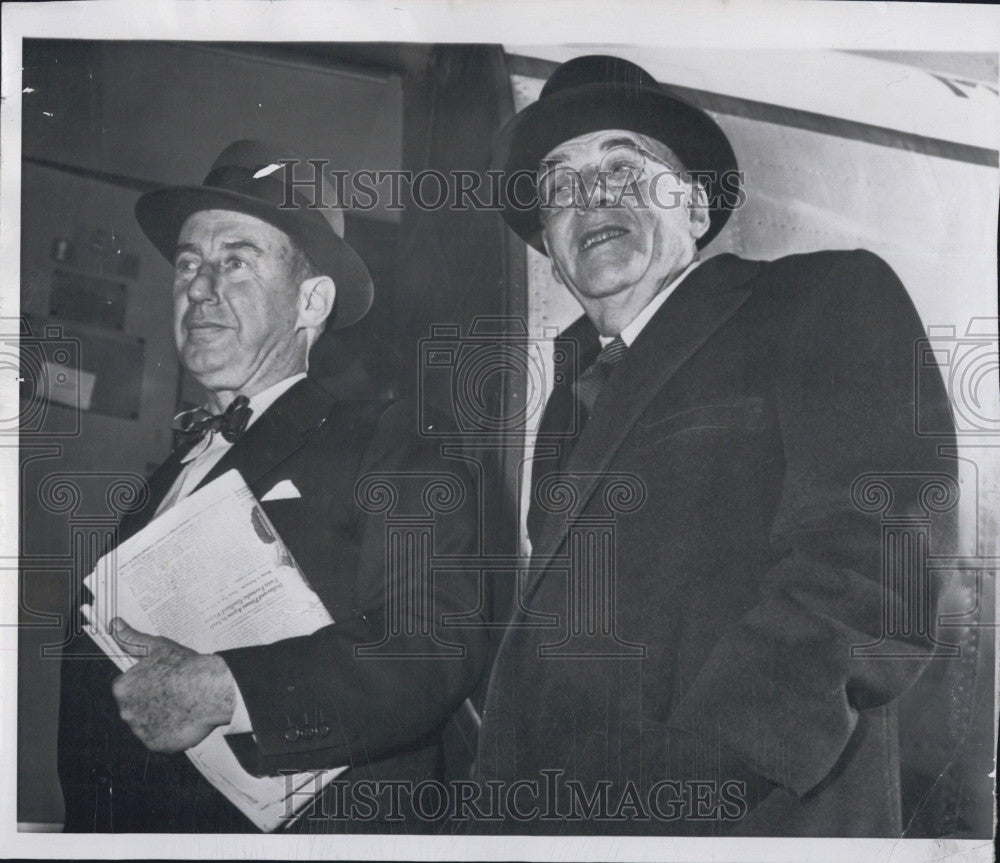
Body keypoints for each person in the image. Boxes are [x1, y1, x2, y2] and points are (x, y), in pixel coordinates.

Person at [474, 56, 957, 836]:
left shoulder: (821, 298)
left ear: (695, 207)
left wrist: (677, 788)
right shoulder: (565, 397)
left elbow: (870, 573)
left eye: (623, 166)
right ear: (552, 251)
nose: (591, 195)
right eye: (559, 186)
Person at [57, 140, 489, 833]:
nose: (199, 287)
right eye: (190, 263)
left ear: (311, 301)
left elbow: (430, 646)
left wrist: (226, 689)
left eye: (235, 260)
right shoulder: (174, 467)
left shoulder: (394, 437)